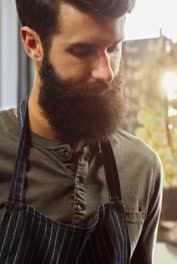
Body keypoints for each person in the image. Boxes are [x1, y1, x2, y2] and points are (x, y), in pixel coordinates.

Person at [0, 0, 163, 263]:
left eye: (113, 48)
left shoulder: (142, 167)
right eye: (82, 51)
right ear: (32, 44)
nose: (106, 72)